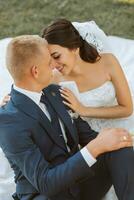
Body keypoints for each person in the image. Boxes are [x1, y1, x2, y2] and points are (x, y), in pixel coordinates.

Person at [0, 35, 134, 200]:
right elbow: (45, 183)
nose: (55, 67)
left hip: (80, 182)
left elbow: (88, 137)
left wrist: (112, 140)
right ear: (35, 71)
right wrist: (95, 148)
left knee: (118, 145)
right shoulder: (8, 121)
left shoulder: (55, 92)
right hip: (47, 194)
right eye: (50, 63)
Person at [42, 18, 134, 200]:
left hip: (119, 125)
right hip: (87, 142)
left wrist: (83, 110)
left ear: (74, 48)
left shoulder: (107, 62)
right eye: (49, 59)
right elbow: (27, 89)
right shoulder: (54, 78)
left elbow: (127, 108)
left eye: (56, 56)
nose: (53, 65)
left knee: (123, 152)